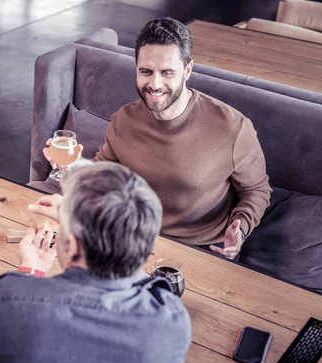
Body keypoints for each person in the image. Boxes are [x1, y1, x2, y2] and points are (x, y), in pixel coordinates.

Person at [41, 18, 271, 260]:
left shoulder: (233, 128)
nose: (155, 84)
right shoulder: (123, 120)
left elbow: (257, 189)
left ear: (188, 70)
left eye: (167, 73)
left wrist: (241, 226)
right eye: (146, 72)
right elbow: (103, 174)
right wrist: (70, 166)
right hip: (130, 237)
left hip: (199, 250)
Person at [0, 162, 191, 363]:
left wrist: (29, 273)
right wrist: (84, 219)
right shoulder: (172, 319)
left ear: (72, 246)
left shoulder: (5, 300)